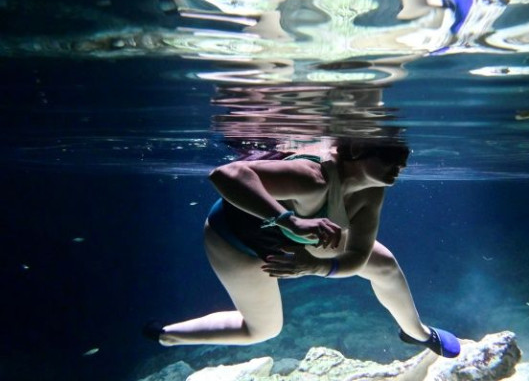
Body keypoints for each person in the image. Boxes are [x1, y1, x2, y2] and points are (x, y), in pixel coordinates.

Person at [145, 139, 460, 358]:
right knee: (262, 330)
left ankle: (418, 333)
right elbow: (225, 175)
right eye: (392, 154)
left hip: (303, 239)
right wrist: (288, 221)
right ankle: (168, 335)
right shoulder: (313, 177)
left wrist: (318, 267)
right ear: (357, 148)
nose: (402, 162)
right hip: (239, 241)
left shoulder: (374, 187)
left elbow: (358, 254)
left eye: (403, 154)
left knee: (384, 265)